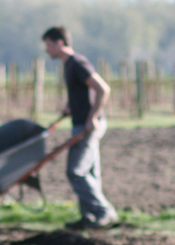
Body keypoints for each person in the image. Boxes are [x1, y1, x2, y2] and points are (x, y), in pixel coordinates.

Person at [42, 26, 118, 229]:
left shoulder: (77, 63)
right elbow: (83, 92)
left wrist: (91, 117)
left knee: (76, 172)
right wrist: (70, 106)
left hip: (88, 126)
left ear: (60, 43)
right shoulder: (69, 65)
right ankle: (90, 218)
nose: (46, 49)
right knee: (90, 173)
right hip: (81, 123)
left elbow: (103, 89)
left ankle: (104, 211)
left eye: (48, 45)